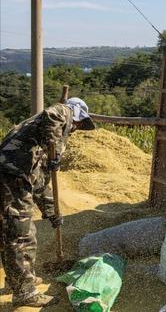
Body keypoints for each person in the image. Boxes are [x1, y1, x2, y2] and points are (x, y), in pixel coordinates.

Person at [0, 98, 95, 307]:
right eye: (78, 125)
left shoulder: (38, 140)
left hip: (14, 177)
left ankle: (17, 279)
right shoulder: (63, 112)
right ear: (77, 117)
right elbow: (53, 114)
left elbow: (41, 185)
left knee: (10, 233)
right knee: (22, 235)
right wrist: (57, 149)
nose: (76, 130)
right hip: (12, 176)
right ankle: (25, 292)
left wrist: (52, 213)